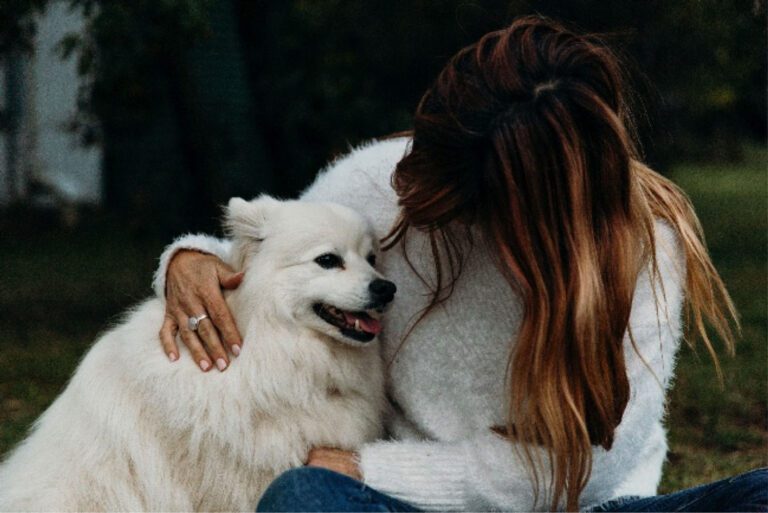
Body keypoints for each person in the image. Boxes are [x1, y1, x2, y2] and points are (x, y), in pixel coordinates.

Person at [152, 16, 767, 512]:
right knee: (302, 498)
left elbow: (588, 465)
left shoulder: (641, 243)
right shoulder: (380, 184)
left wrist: (376, 467)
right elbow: (280, 260)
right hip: (398, 508)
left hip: (585, 506)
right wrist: (188, 261)